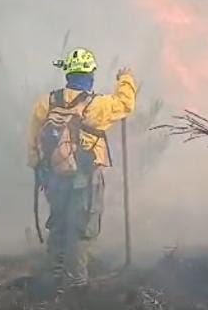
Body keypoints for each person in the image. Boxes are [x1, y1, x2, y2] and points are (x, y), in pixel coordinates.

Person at [28, 48, 136, 292]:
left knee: (57, 225)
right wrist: (126, 79)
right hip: (85, 179)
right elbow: (125, 104)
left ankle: (54, 280)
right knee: (81, 229)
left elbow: (33, 140)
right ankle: (76, 287)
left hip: (54, 176)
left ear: (68, 73)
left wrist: (39, 167)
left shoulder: (46, 102)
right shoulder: (97, 105)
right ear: (90, 74)